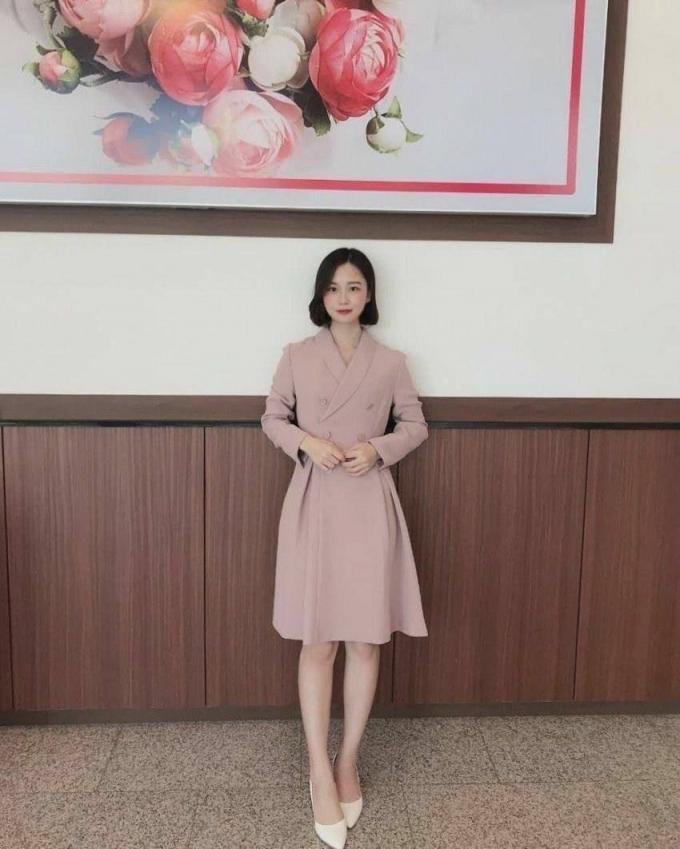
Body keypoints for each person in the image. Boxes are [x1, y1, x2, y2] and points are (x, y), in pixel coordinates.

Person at [260, 247, 429, 849]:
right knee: (318, 640)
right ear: (321, 295)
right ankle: (317, 767)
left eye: (354, 286)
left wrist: (379, 450)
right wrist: (307, 442)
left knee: (364, 639)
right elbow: (271, 418)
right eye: (333, 287)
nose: (343, 297)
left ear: (369, 294)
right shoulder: (296, 355)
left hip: (368, 502)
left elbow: (415, 425)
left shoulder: (392, 361)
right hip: (315, 501)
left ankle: (348, 760)